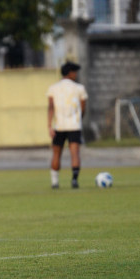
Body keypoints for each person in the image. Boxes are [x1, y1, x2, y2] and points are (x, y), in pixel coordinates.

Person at [47, 61, 88, 189]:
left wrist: (49, 125)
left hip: (59, 126)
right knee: (75, 152)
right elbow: (83, 108)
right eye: (74, 72)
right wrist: (79, 119)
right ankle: (74, 180)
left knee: (56, 153)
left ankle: (55, 182)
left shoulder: (53, 88)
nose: (75, 74)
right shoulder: (79, 88)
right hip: (74, 126)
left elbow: (50, 107)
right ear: (70, 73)